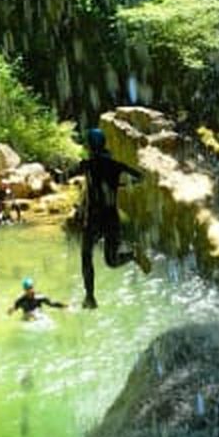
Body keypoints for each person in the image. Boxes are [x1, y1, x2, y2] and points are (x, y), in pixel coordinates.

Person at [76, 127, 152, 309]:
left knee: (87, 256)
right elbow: (141, 177)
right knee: (111, 260)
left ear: (89, 146)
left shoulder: (87, 165)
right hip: (111, 218)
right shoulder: (116, 165)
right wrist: (123, 185)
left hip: (93, 219)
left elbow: (64, 174)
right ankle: (133, 255)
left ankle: (90, 298)